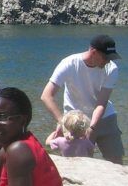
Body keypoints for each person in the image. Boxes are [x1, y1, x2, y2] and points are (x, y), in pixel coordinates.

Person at [40, 34, 123, 164]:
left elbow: (101, 103)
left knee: (116, 161)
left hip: (105, 117)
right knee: (80, 163)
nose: (108, 61)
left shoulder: (112, 69)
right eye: (106, 57)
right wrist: (63, 122)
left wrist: (92, 128)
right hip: (76, 122)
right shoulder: (69, 63)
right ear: (94, 52)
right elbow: (46, 96)